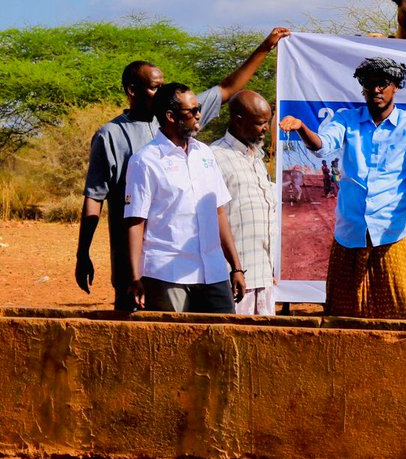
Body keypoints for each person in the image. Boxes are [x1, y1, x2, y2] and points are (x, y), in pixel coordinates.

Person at [76, 27, 290, 310]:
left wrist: (265, 47)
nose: (161, 90)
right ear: (132, 91)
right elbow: (96, 197)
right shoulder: (115, 137)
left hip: (203, 264)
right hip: (150, 262)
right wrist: (84, 253)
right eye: (154, 86)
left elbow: (227, 89)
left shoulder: (190, 131)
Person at [279, 56, 406, 319]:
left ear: (395, 86)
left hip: (393, 234)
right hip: (350, 233)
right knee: (340, 315)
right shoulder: (346, 120)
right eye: (369, 84)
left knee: (396, 317)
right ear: (362, 87)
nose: (376, 90)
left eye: (383, 84)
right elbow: (323, 145)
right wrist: (301, 128)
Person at [125, 84, 246, 313]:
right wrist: (135, 277)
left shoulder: (205, 154)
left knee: (221, 342)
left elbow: (218, 211)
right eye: (192, 111)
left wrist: (236, 268)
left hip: (213, 271)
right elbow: (135, 222)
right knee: (174, 344)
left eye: (198, 108)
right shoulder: (145, 161)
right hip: (167, 274)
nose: (198, 114)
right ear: (170, 117)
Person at [211, 91, 276, 316]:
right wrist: (235, 269)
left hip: (264, 273)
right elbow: (212, 217)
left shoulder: (256, 158)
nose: (266, 128)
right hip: (235, 278)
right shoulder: (214, 156)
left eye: (268, 122)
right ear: (238, 121)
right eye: (260, 123)